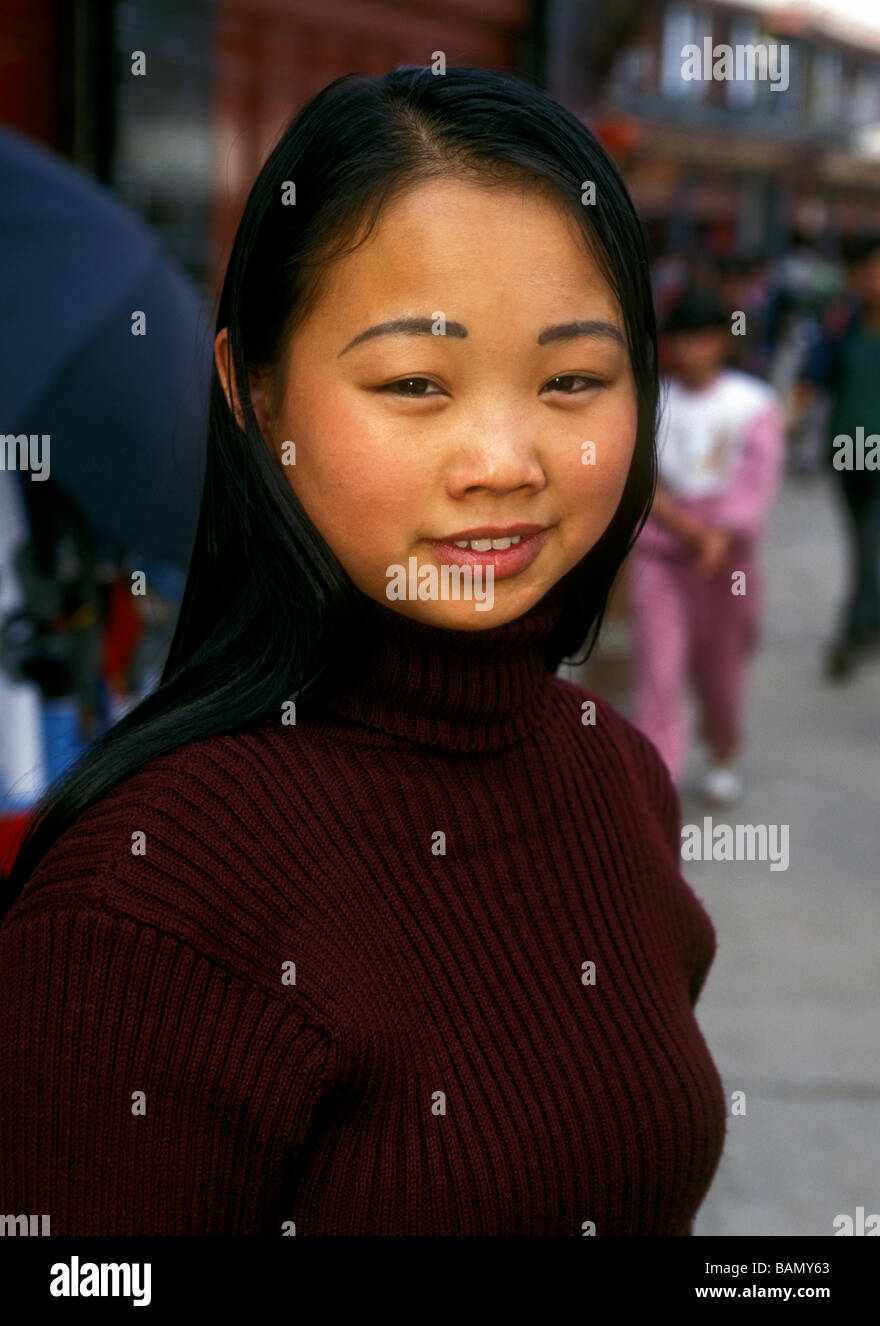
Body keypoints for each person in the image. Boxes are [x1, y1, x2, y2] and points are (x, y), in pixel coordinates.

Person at [0, 66, 726, 1236]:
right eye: (414, 384)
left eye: (573, 379)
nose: (504, 458)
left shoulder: (616, 771)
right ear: (253, 393)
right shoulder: (143, 901)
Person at [628, 288, 785, 805]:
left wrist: (721, 533)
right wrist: (692, 531)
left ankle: (722, 754)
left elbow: (756, 479)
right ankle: (659, 779)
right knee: (659, 667)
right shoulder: (650, 402)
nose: (693, 349)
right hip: (663, 556)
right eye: (684, 339)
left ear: (723, 341)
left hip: (728, 565)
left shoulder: (752, 404)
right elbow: (637, 477)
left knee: (721, 670)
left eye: (704, 338)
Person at [793, 233, 880, 679]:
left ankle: (853, 634)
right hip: (849, 451)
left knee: (871, 545)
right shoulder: (843, 323)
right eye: (863, 271)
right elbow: (814, 377)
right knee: (862, 543)